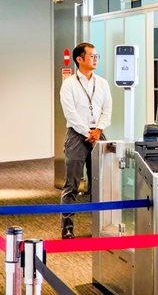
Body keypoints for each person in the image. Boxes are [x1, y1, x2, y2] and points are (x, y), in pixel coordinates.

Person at [60, 42, 112, 240]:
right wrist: (87, 132)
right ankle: (67, 227)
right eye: (92, 56)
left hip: (98, 135)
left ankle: (102, 227)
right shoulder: (69, 84)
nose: (95, 59)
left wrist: (98, 130)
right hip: (76, 135)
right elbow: (70, 113)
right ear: (79, 59)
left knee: (101, 184)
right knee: (71, 184)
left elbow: (107, 109)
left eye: (97, 56)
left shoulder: (102, 83)